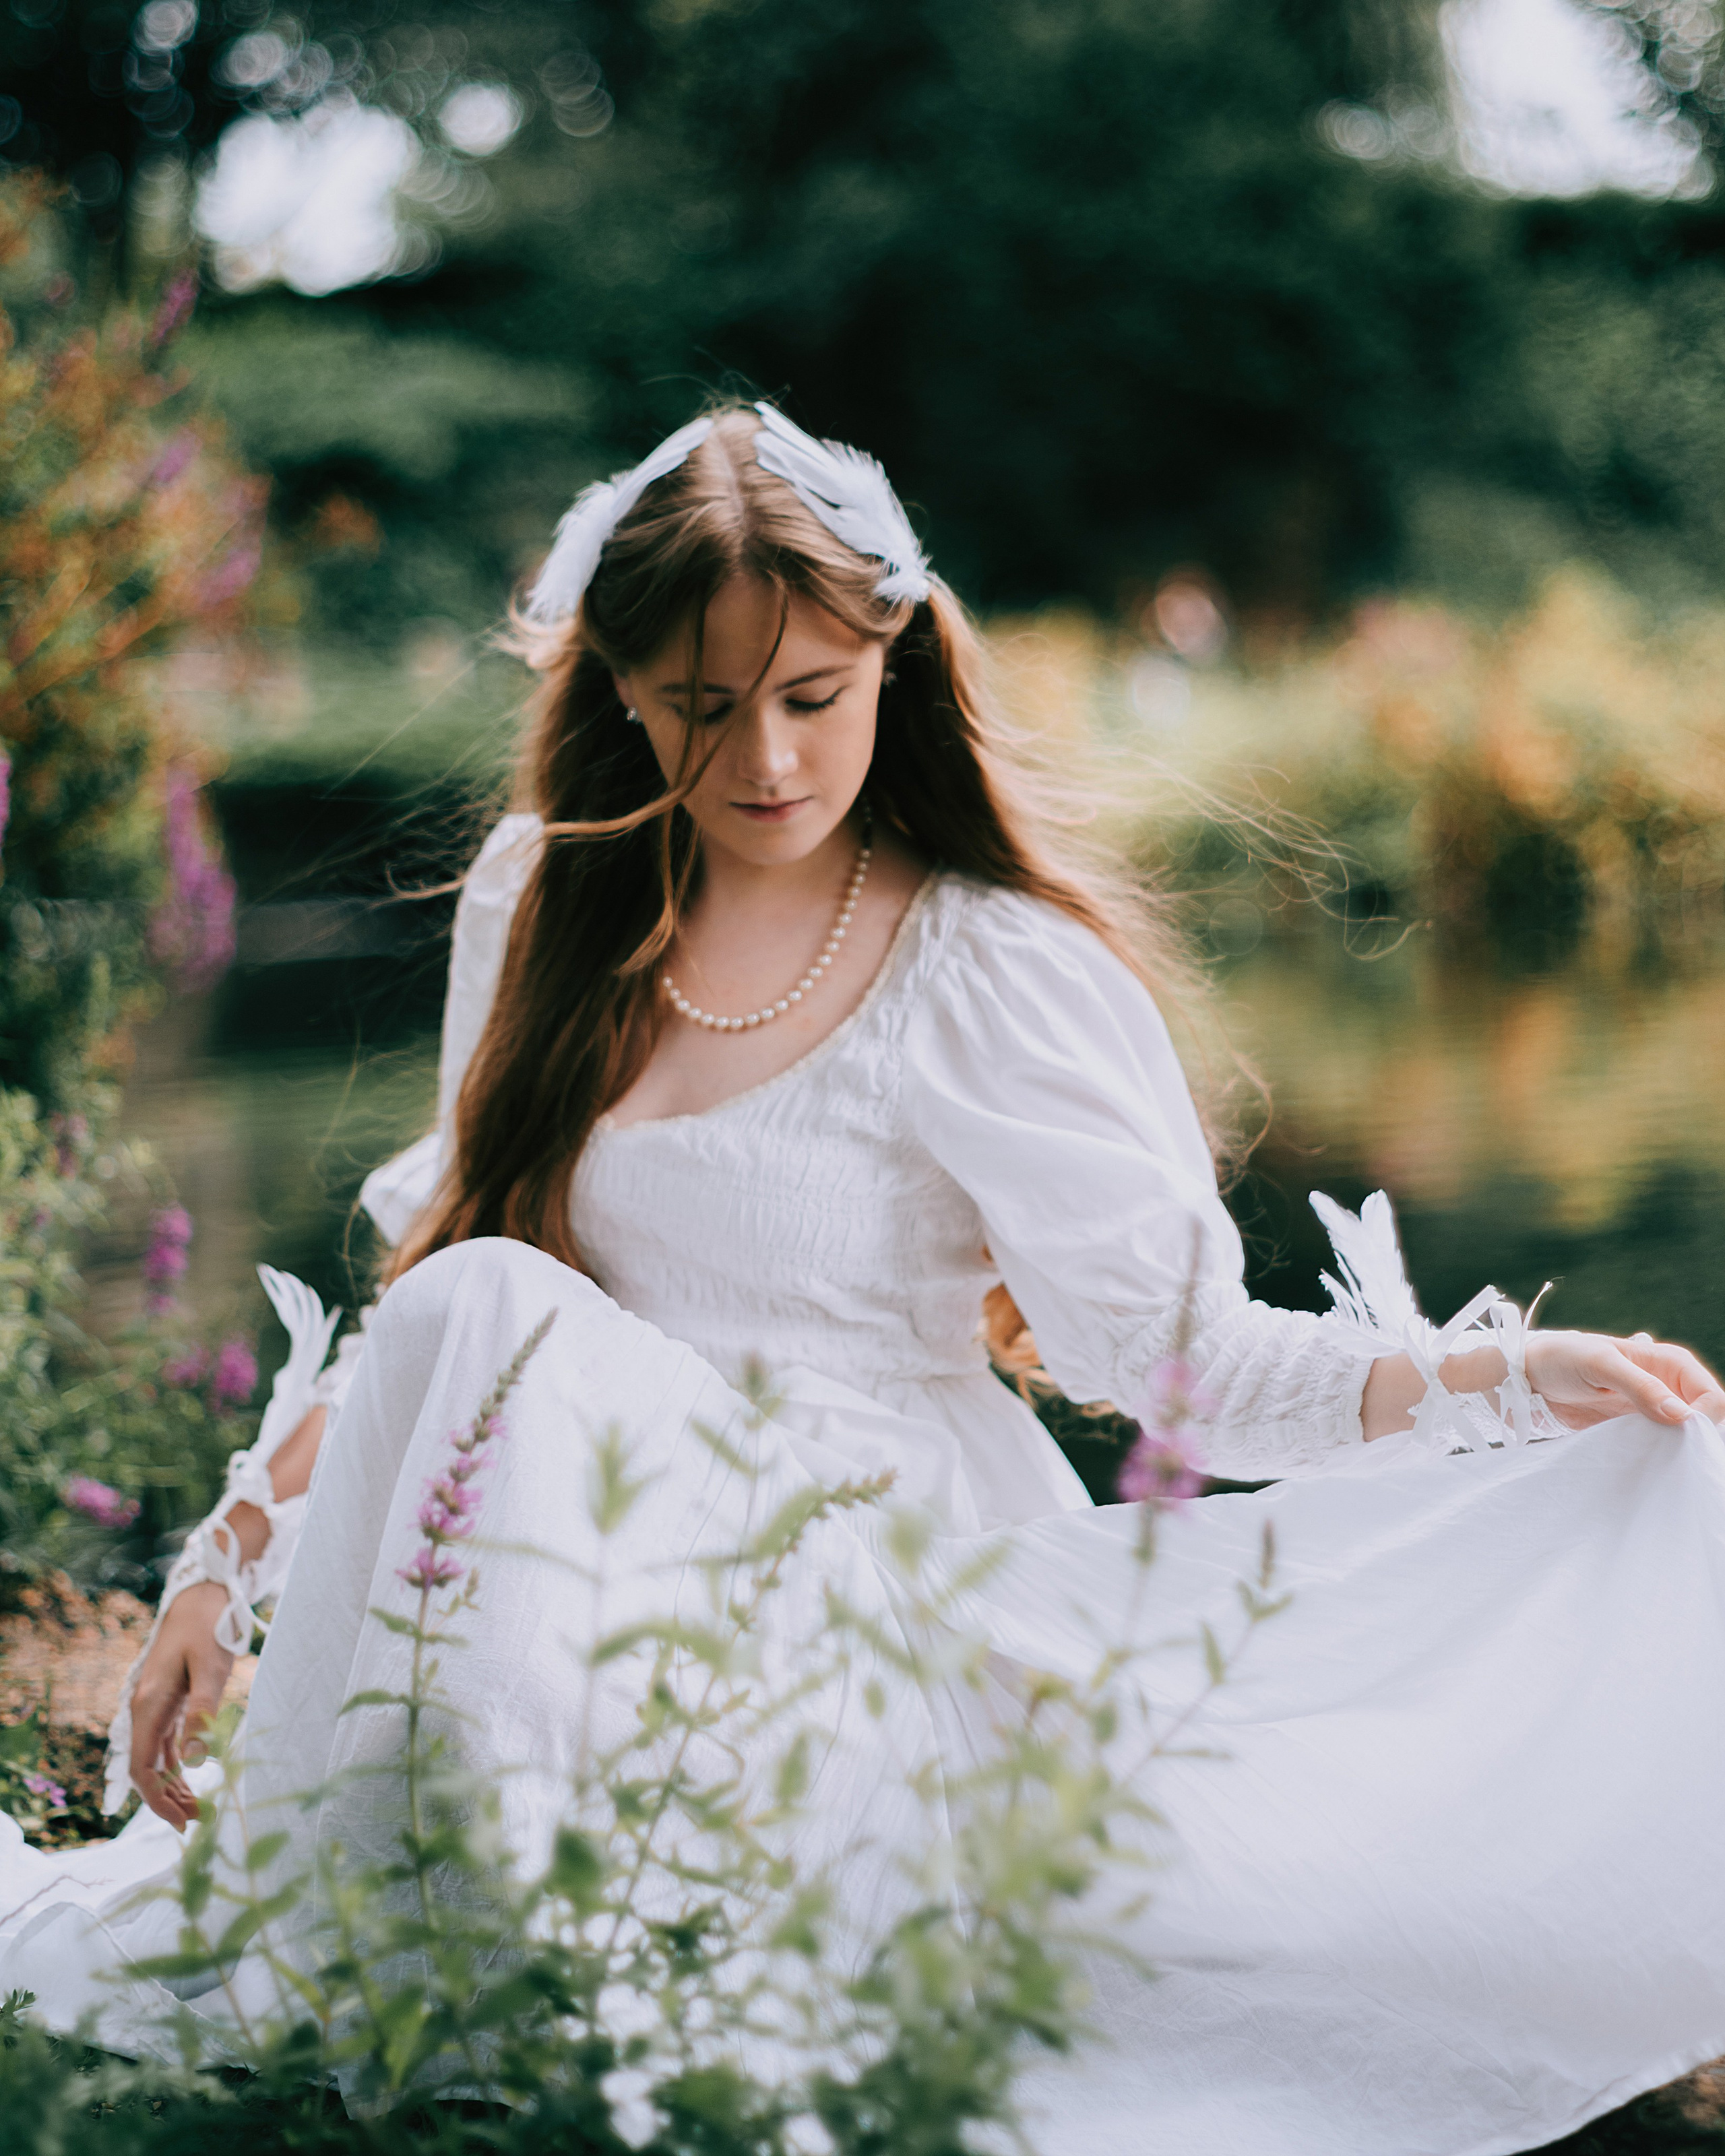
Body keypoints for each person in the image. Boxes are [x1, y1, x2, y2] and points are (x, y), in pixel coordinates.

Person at [6, 400, 1725, 2154]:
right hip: (559, 1564)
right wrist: (229, 1560)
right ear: (616, 688)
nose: (763, 759)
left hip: (859, 1596)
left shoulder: (986, 966)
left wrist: (1511, 1384)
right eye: (702, 704)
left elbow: (1188, 1363)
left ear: (894, 665)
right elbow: (439, 1296)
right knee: (482, 1304)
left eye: (813, 697)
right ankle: (486, 1978)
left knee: (492, 1322)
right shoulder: (545, 901)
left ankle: (570, 1988)